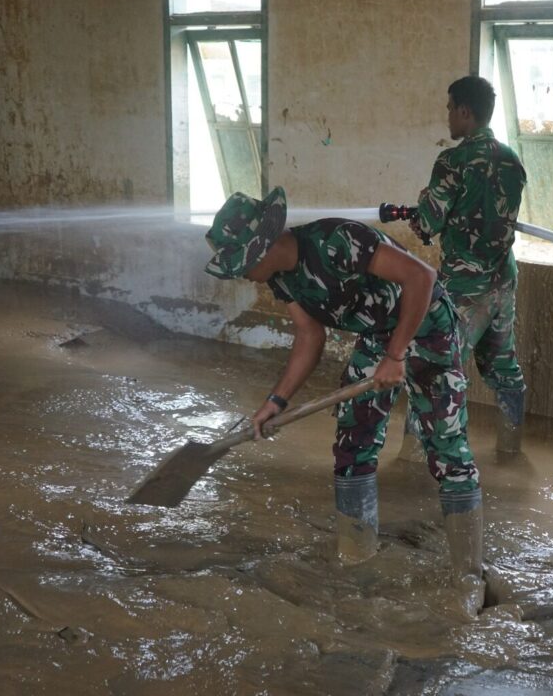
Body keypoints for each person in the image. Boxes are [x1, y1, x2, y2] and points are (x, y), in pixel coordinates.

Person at [203, 187, 484, 613]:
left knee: (447, 449)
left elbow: (421, 278)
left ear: (263, 247)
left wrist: (396, 354)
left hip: (426, 326)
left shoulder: (338, 241)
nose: (242, 275)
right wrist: (276, 401)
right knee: (353, 443)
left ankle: (468, 577)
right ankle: (357, 556)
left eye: (242, 265)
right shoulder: (281, 278)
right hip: (377, 338)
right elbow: (309, 336)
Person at [395, 75, 529, 460]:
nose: (448, 116)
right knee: (503, 366)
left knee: (432, 369)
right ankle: (511, 450)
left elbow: (427, 223)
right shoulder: (512, 160)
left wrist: (421, 211)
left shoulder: (452, 161)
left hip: (463, 289)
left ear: (465, 112)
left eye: (450, 109)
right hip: (502, 279)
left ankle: (414, 459)